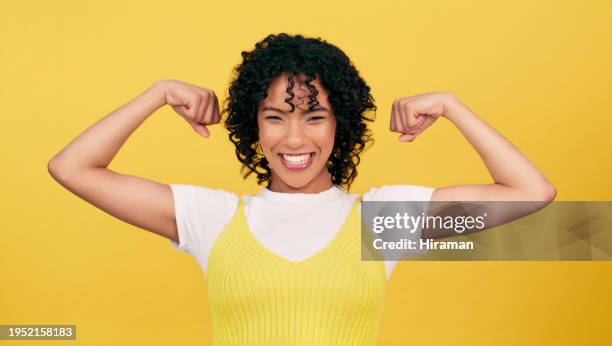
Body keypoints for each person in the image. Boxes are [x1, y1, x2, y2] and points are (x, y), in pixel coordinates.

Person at [48, 33, 556, 345]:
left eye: (315, 117)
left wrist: (451, 106)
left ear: (342, 125)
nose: (295, 139)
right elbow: (72, 167)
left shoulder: (380, 221)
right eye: (276, 118)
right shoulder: (213, 217)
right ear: (255, 127)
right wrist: (156, 95)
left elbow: (532, 192)